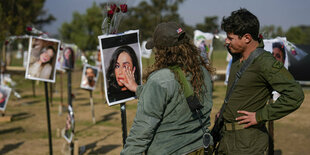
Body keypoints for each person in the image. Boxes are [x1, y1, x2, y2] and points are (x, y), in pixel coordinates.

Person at [217, 8, 304, 154]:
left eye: (230, 38)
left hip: (247, 145)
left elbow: (295, 95)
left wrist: (260, 116)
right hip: (226, 140)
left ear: (246, 38)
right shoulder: (237, 55)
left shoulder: (265, 62)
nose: (226, 42)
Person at [120, 22, 214, 154]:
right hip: (201, 148)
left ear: (163, 51)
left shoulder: (159, 80)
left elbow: (142, 130)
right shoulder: (202, 72)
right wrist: (138, 89)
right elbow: (177, 94)